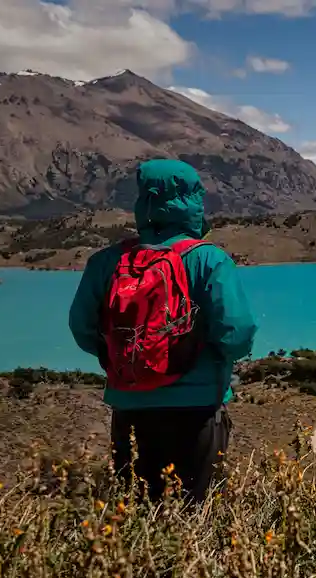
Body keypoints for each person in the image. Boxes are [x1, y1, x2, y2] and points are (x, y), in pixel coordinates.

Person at [68, 158, 258, 504]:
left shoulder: (106, 261)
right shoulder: (208, 260)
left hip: (129, 406)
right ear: (192, 201)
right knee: (196, 513)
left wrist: (124, 356)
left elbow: (82, 329)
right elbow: (236, 333)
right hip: (198, 409)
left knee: (136, 510)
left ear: (144, 200)